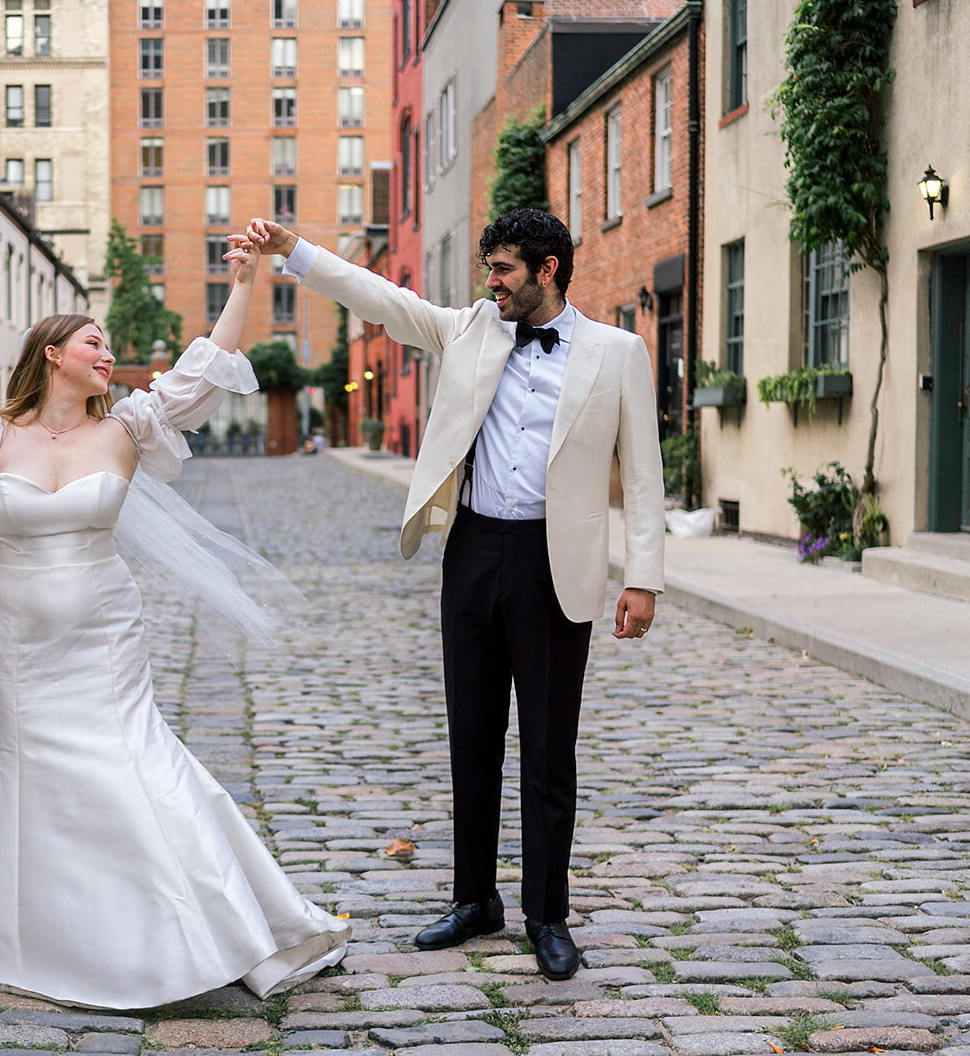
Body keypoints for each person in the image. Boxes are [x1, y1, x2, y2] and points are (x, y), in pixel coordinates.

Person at [0, 244, 348, 1009]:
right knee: (26, 777)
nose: (108, 353)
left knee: (131, 766)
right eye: (94, 341)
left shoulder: (132, 425)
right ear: (53, 354)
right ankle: (26, 935)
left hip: (103, 635)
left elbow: (208, 364)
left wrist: (243, 282)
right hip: (12, 642)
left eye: (108, 344)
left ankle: (189, 931)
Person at [232, 210, 664, 981]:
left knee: (548, 748)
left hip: (553, 562)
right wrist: (291, 251)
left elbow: (644, 471)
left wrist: (643, 575)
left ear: (549, 269)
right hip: (472, 552)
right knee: (471, 733)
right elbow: (379, 299)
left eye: (503, 270)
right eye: (488, 268)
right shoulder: (470, 329)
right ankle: (475, 899)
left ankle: (547, 914)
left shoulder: (618, 351)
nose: (490, 282)